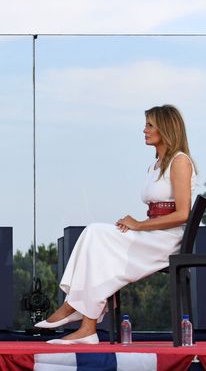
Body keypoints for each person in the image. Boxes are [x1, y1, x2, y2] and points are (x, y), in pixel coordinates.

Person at [36, 105, 196, 345]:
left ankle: (75, 308)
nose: (144, 130)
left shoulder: (179, 161)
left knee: (97, 235)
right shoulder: (155, 165)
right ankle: (85, 323)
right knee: (94, 234)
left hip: (166, 240)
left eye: (150, 125)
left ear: (166, 128)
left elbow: (183, 213)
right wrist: (136, 226)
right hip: (152, 232)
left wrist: (139, 226)